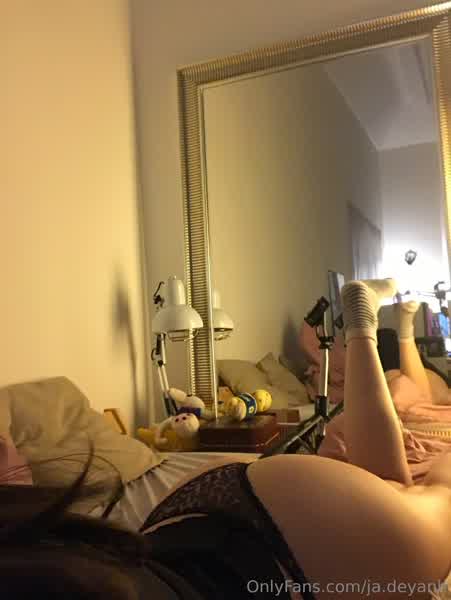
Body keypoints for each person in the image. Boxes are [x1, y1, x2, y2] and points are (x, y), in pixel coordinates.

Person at [2, 278, 451, 600]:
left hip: (261, 543)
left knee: (438, 493)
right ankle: (362, 320)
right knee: (394, 487)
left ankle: (364, 323)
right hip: (204, 519)